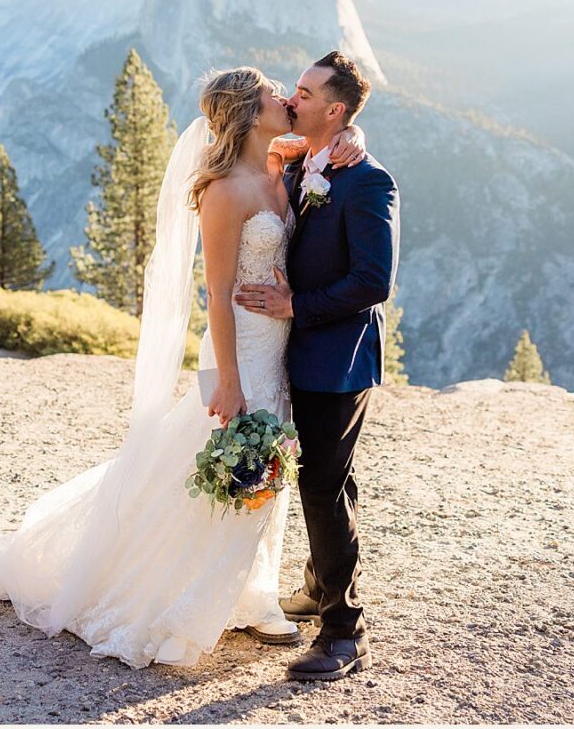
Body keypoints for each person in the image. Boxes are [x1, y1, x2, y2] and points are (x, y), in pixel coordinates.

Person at [0, 65, 366, 670]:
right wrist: (229, 379)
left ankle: (249, 589)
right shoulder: (223, 192)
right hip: (237, 353)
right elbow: (214, 295)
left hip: (278, 348)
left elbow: (325, 161)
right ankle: (179, 597)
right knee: (225, 460)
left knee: (264, 468)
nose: (286, 98)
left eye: (289, 93)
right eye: (271, 94)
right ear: (244, 112)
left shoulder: (279, 169)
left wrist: (349, 142)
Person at [235, 50, 399, 682]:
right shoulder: (307, 159)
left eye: (304, 92)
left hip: (338, 356)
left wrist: (296, 304)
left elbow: (373, 281)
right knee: (330, 476)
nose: (291, 97)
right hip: (295, 348)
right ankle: (317, 585)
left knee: (322, 484)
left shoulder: (366, 180)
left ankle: (342, 632)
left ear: (335, 108)